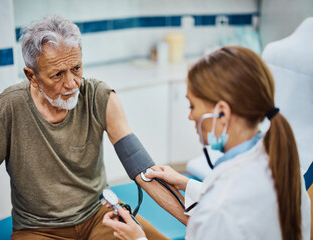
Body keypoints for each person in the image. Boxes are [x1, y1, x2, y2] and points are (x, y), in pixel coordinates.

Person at [0, 14, 187, 239]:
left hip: (99, 215)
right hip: (38, 230)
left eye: (76, 68)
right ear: (31, 76)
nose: (71, 84)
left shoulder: (100, 97)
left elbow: (144, 170)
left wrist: (196, 219)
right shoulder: (9, 107)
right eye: (57, 75)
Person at [102, 46, 311, 240]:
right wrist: (185, 183)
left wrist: (138, 238)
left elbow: (224, 208)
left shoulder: (220, 208)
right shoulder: (285, 166)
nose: (190, 116)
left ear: (222, 112)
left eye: (192, 106)